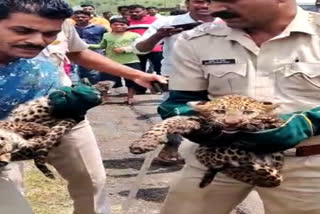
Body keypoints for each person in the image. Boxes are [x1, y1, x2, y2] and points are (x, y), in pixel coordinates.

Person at [0, 1, 166, 214]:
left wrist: (137, 75)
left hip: (64, 112)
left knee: (91, 179)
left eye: (50, 34)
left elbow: (78, 52)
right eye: (22, 30)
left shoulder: (53, 42)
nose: (37, 41)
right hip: (7, 128)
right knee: (10, 192)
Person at [159, 0, 320, 214]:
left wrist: (306, 123)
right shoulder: (196, 39)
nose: (215, 9)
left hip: (308, 165)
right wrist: (198, 124)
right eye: (211, 0)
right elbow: (181, 99)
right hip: (217, 158)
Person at [133, 0, 216, 163]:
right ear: (187, 3)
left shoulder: (229, 22)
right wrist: (159, 35)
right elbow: (140, 48)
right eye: (199, 1)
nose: (205, 6)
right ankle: (173, 145)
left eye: (210, 1)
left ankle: (208, 153)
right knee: (173, 114)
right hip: (177, 80)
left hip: (218, 78)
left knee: (218, 117)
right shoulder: (167, 23)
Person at [89, 18, 144, 105]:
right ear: (111, 26)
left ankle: (130, 97)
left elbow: (140, 47)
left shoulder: (134, 35)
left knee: (131, 80)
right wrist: (86, 45)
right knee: (105, 80)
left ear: (127, 26)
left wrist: (125, 49)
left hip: (130, 60)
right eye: (115, 24)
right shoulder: (106, 35)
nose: (118, 26)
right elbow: (101, 45)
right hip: (111, 61)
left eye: (122, 25)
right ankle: (104, 97)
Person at [127, 4, 163, 82]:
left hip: (155, 49)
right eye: (131, 12)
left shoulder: (155, 20)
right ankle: (141, 89)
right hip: (135, 50)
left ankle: (161, 86)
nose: (134, 14)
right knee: (139, 70)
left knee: (159, 68)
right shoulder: (126, 21)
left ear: (145, 11)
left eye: (137, 12)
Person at [73, 10, 106, 84]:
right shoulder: (70, 29)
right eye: (77, 17)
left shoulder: (100, 28)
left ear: (89, 18)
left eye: (83, 17)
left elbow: (105, 40)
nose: (80, 19)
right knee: (77, 73)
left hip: (95, 54)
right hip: (76, 55)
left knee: (94, 74)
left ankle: (96, 91)